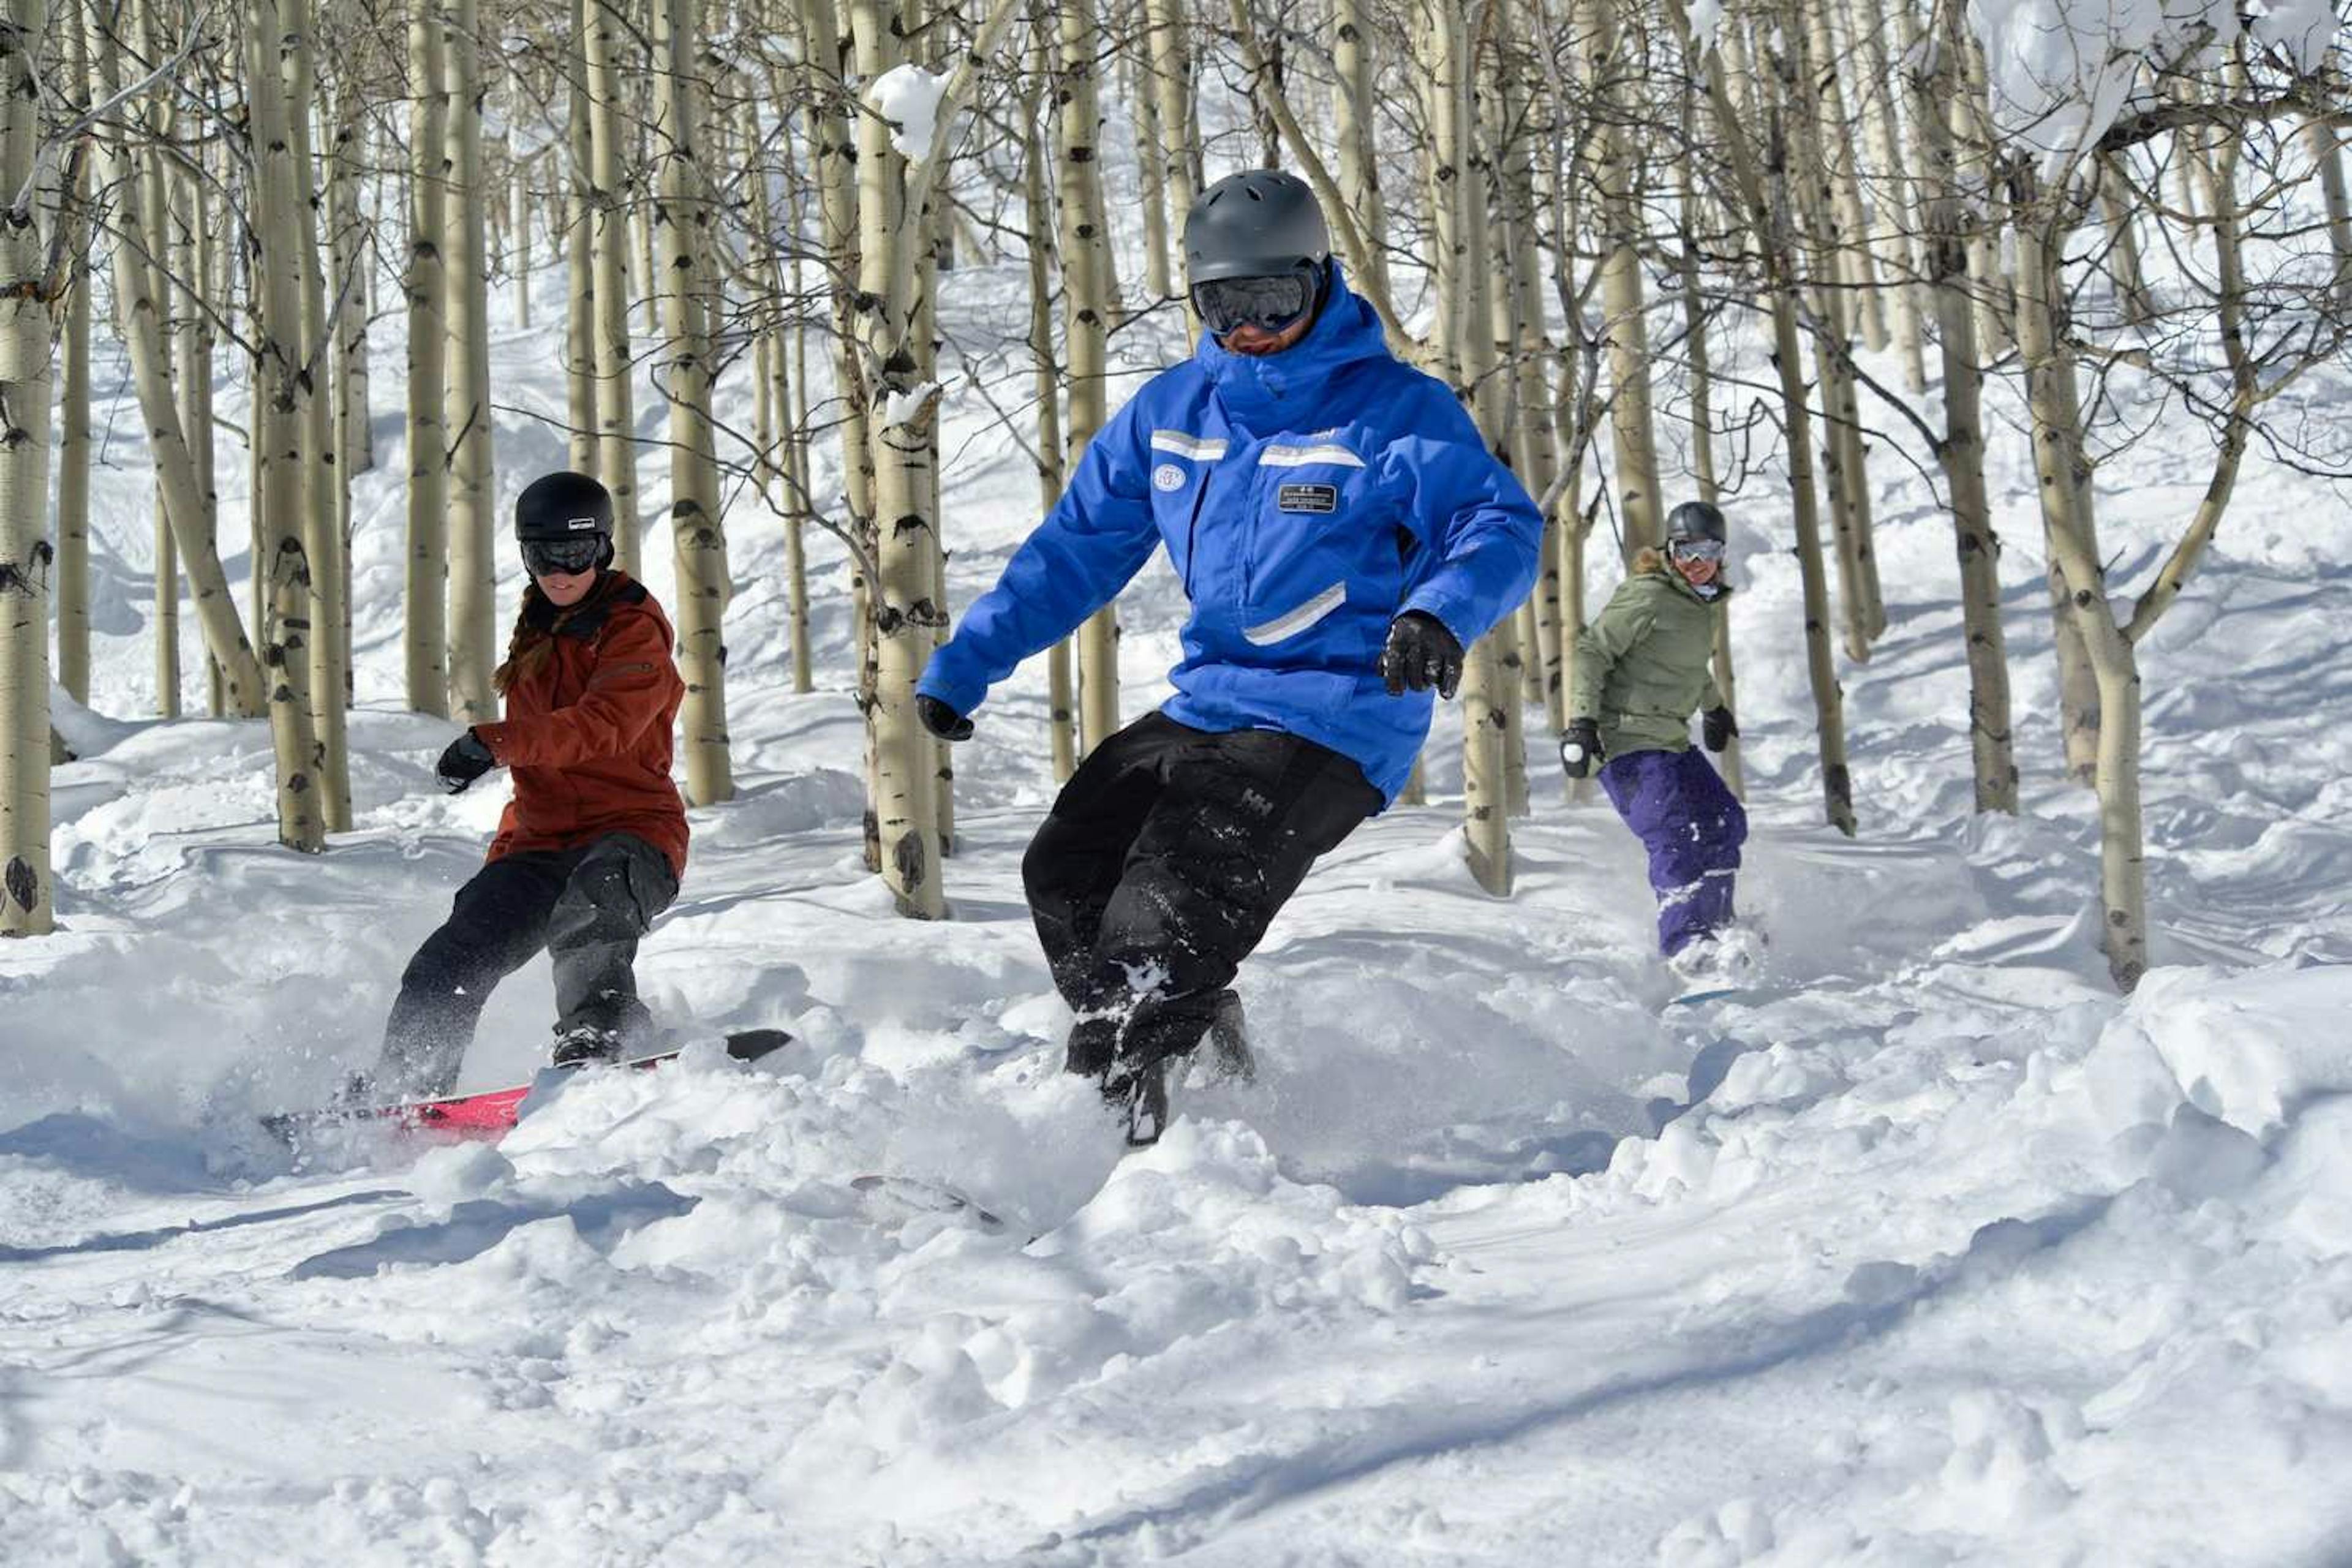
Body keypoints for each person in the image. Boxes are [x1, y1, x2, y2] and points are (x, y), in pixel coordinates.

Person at [915, 168, 1544, 1144]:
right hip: (1212, 704)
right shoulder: (1176, 410)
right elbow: (1075, 550)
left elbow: (1495, 524)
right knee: (1067, 868)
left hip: (1337, 716)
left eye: (1271, 302)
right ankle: (1195, 1046)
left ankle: (1098, 1146)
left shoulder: (1393, 413)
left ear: (1319, 280)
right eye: (1223, 305)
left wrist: (1440, 613)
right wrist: (967, 664)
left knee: (1154, 926)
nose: (1248, 328)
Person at [367, 470, 689, 1100]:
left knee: (592, 909)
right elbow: (542, 775)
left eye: (575, 554)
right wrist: (501, 868)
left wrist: (494, 741)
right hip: (543, 842)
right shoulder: (539, 625)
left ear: (603, 549)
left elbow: (606, 725)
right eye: (544, 555)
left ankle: (603, 1036)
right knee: (453, 957)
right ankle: (408, 1087)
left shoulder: (632, 628)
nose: (560, 571)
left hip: (633, 834)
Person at [1561, 500, 1748, 974]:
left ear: (1722, 554)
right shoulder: (1647, 596)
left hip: (1669, 739)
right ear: (1669, 549)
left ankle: (1719, 925)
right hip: (1625, 739)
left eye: (1708, 551)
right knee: (1673, 832)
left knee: (1724, 821)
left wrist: (1714, 707)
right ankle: (1685, 942)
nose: (1696, 562)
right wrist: (1581, 722)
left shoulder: (1700, 606)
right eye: (1686, 551)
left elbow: (1682, 665)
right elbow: (1590, 651)